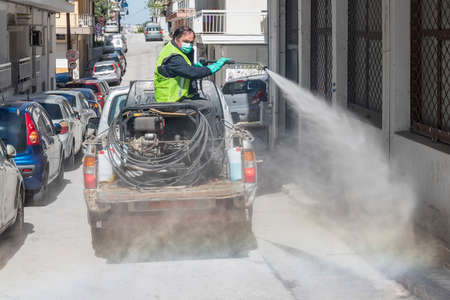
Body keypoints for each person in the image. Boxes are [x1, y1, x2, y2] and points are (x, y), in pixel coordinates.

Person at [154, 26, 230, 103]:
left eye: (191, 42)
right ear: (176, 39)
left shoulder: (176, 49)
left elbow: (182, 69)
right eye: (186, 42)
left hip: (179, 97)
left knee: (205, 103)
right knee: (209, 108)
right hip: (170, 101)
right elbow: (191, 73)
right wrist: (214, 67)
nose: (189, 45)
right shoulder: (174, 56)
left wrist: (196, 66)